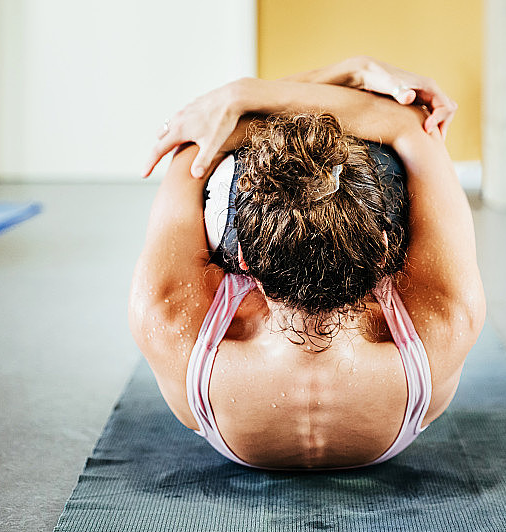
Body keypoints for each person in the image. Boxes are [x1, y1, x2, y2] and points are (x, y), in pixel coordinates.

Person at [129, 56, 485, 470]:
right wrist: (253, 94)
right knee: (382, 157)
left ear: (242, 257)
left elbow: (199, 138)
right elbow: (408, 123)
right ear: (385, 247)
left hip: (230, 423)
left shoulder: (167, 322)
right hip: (388, 429)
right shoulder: (447, 320)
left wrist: (243, 96)